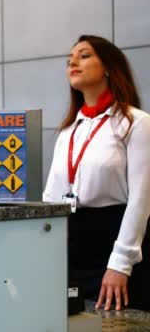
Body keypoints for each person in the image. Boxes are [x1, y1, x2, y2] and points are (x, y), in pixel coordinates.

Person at [44, 35, 150, 311]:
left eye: (84, 55)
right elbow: (50, 197)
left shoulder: (136, 123)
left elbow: (141, 200)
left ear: (108, 67)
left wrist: (120, 263)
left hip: (113, 243)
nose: (73, 62)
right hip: (69, 246)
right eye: (69, 60)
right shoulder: (69, 130)